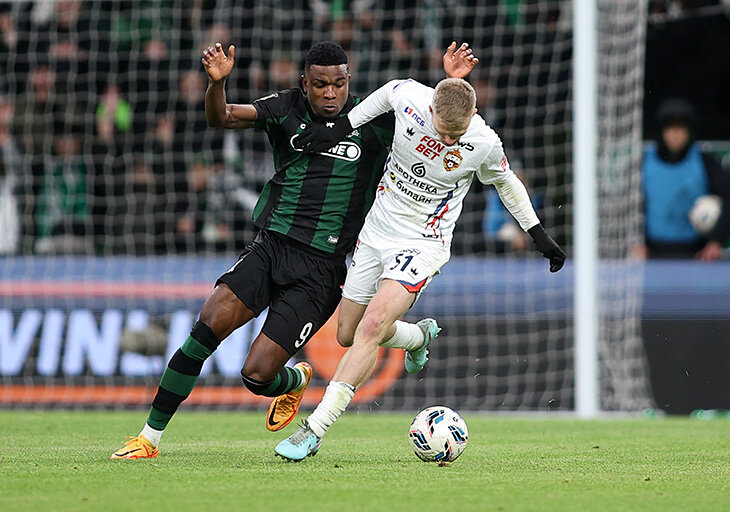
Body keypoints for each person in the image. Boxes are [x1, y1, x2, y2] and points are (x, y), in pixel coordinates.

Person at [111, 40, 478, 459]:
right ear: (305, 83)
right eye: (320, 85)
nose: (330, 93)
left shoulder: (375, 120)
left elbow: (436, 122)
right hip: (271, 246)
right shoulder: (285, 108)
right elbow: (221, 117)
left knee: (256, 375)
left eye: (338, 84)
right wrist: (217, 84)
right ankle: (149, 438)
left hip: (320, 272)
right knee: (206, 327)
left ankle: (294, 380)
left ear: (348, 81)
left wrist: (451, 83)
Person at [275, 76, 565, 461]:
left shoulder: (483, 141)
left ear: (474, 115)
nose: (447, 141)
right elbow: (381, 97)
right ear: (430, 110)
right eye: (443, 131)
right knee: (347, 334)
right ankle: (416, 337)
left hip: (424, 243)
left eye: (456, 134)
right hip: (377, 231)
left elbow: (506, 182)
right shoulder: (409, 97)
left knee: (372, 327)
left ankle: (313, 429)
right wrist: (339, 128)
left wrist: (538, 234)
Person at [632, 98, 730, 261]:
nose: (675, 134)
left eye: (681, 128)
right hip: (652, 254)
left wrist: (715, 241)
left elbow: (728, 196)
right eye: (670, 128)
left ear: (689, 131)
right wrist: (635, 242)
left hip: (696, 254)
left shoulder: (704, 160)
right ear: (662, 131)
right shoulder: (643, 162)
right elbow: (628, 205)